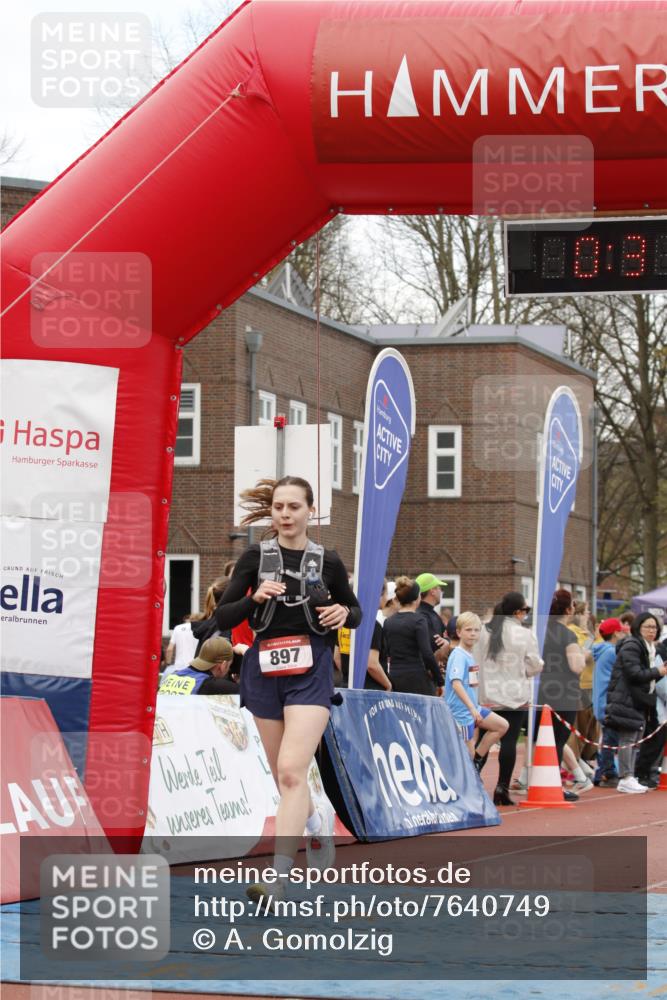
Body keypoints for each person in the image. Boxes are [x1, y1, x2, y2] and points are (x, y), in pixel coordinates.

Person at [214, 476, 361, 903]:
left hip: (311, 670)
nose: (284, 514)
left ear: (310, 511)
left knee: (294, 770)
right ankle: (316, 819)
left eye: (293, 507)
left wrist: (342, 612)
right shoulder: (255, 557)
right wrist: (255, 598)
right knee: (285, 777)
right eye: (278, 507)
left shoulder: (327, 561)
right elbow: (223, 616)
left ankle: (277, 880)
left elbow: (355, 611)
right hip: (264, 671)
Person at [476, 592, 543, 806]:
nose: (526, 615)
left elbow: (475, 660)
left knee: (484, 740)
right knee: (509, 741)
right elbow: (534, 665)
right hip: (514, 696)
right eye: (525, 611)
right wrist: (524, 670)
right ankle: (501, 788)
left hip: (488, 694)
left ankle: (473, 782)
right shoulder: (525, 634)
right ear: (517, 612)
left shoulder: (484, 630)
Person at [605, 612, 667, 794]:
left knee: (635, 739)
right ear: (638, 627)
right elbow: (634, 673)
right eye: (647, 626)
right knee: (628, 739)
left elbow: (644, 676)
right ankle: (625, 777)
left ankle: (630, 776)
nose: (651, 630)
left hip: (639, 698)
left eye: (654, 627)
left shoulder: (649, 647)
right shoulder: (633, 645)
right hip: (627, 698)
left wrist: (658, 673)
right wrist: (657, 672)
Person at [445, 611, 508, 769]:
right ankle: (469, 774)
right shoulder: (459, 655)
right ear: (459, 632)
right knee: (466, 755)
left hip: (472, 708)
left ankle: (477, 762)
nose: (473, 634)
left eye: (476, 630)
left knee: (501, 726)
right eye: (468, 630)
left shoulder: (469, 654)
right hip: (461, 712)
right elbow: (456, 684)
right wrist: (472, 709)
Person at [540, 589, 586, 802]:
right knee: (557, 741)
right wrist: (583, 656)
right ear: (568, 610)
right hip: (564, 692)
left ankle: (538, 781)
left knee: (540, 739)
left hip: (541, 691)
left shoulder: (539, 630)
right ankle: (553, 785)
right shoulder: (567, 635)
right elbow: (576, 666)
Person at [383, 576, 443, 695]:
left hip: (395, 676)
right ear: (417, 598)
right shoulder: (419, 621)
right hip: (416, 677)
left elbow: (387, 651)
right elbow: (427, 653)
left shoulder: (388, 621)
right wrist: (440, 680)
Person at [591, 618, 625, 786]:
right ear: (616, 633)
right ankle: (607, 772)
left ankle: (603, 771)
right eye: (621, 631)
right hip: (608, 702)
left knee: (608, 738)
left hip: (601, 700)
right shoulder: (612, 652)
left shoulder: (602, 650)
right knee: (610, 740)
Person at [158, 636, 238, 695]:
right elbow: (244, 694)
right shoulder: (211, 685)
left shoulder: (172, 676)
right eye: (229, 666)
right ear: (223, 665)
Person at [415, 572, 450, 668]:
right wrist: (446, 643)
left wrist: (447, 641)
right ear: (432, 591)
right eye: (440, 588)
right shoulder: (422, 616)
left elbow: (446, 637)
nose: (441, 592)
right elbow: (435, 644)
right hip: (424, 670)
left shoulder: (432, 614)